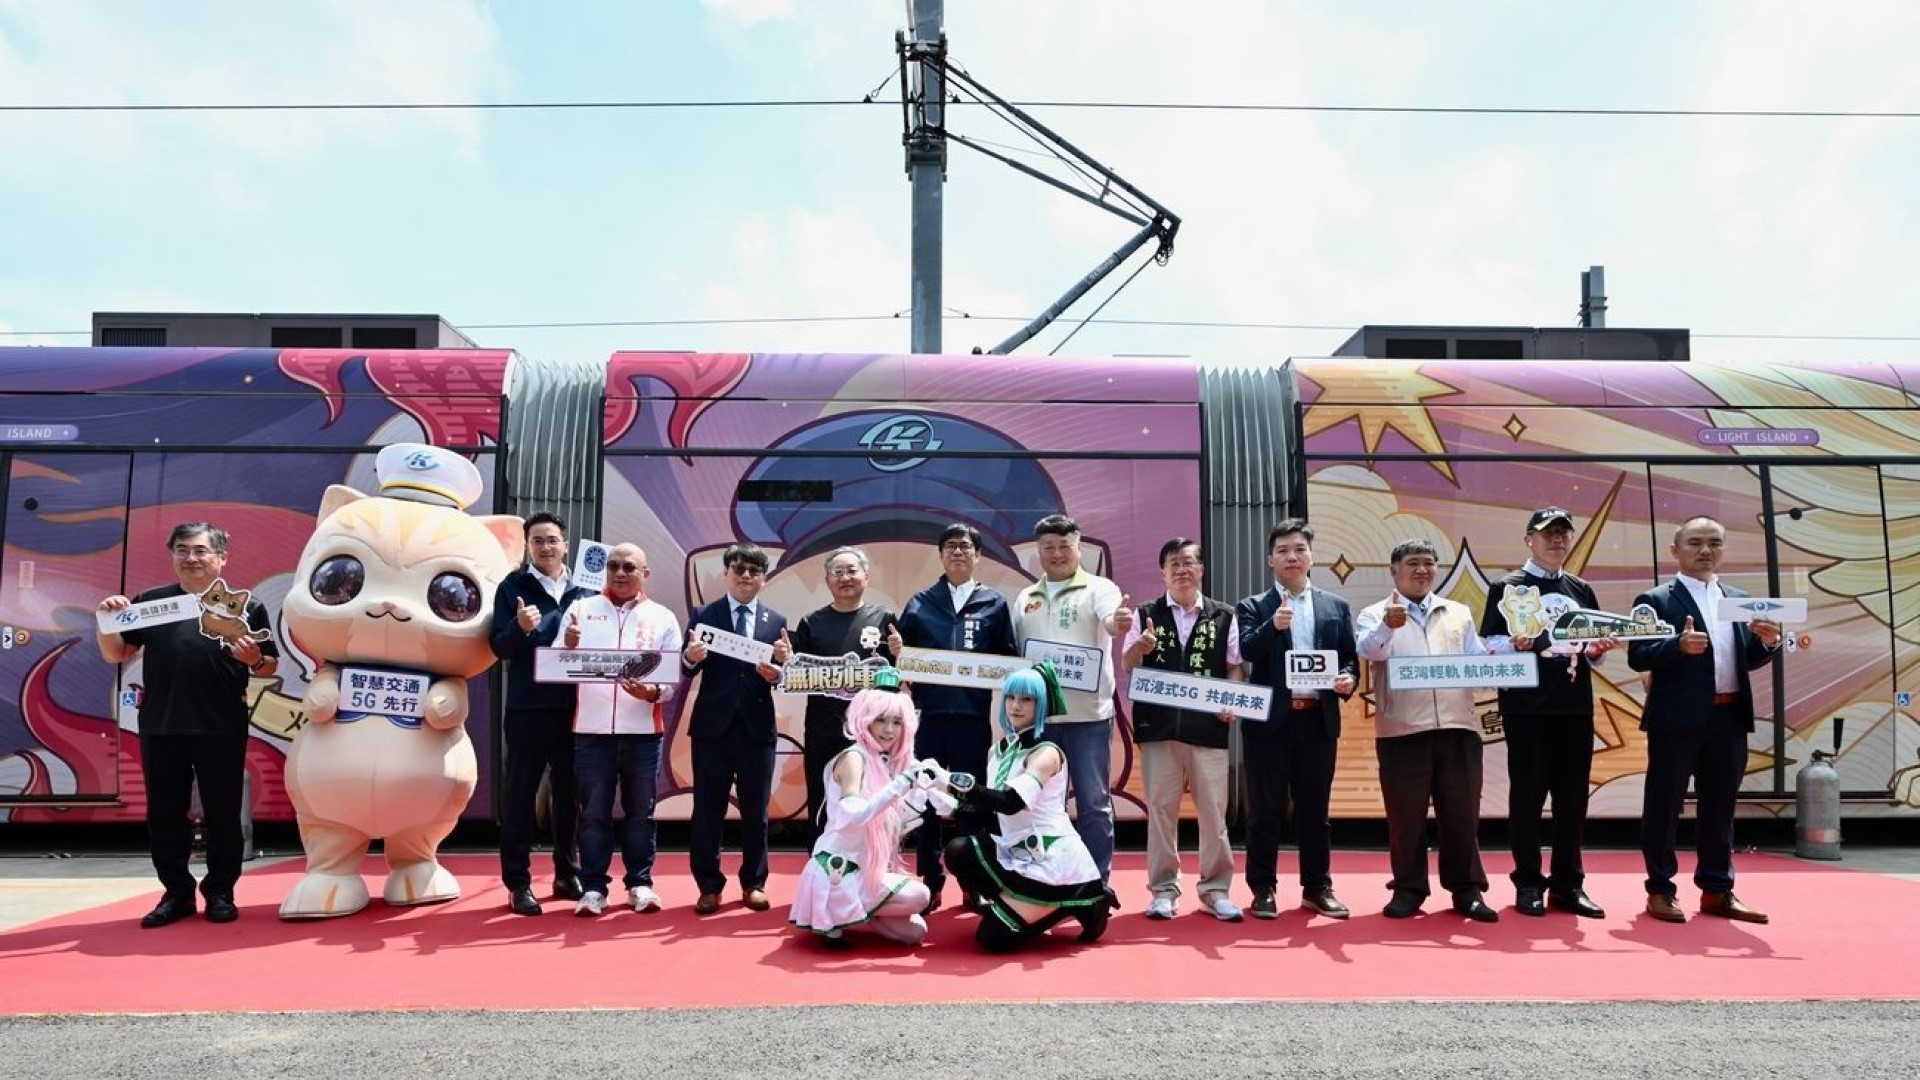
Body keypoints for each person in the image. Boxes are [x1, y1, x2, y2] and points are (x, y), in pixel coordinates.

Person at [96, 522, 278, 928]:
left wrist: (252, 661)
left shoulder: (246, 606)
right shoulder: (152, 603)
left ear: (221, 558)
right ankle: (176, 893)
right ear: (173, 556)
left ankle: (220, 892)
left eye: (200, 550)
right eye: (182, 550)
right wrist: (106, 622)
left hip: (221, 725)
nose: (191, 558)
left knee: (224, 813)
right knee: (165, 813)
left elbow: (268, 664)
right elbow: (117, 653)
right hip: (162, 725)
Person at [1356, 539, 1520, 923]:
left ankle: (1467, 890)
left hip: (1458, 728)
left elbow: (1477, 666)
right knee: (1406, 817)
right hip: (1401, 732)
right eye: (1413, 563)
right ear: (1393, 570)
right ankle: (1408, 890)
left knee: (1462, 813)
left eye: (1429, 563)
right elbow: (1370, 652)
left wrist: (1510, 653)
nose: (1422, 570)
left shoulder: (1458, 613)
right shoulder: (1374, 613)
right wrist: (1387, 626)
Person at [1628, 516, 1782, 924]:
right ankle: (1660, 890)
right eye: (1694, 542)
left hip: (1729, 716)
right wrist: (1676, 646)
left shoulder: (1738, 599)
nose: (1705, 550)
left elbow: (1745, 658)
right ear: (1675, 550)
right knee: (1663, 806)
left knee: (1720, 808)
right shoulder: (1655, 599)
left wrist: (1769, 643)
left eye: (1714, 542)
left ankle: (1717, 890)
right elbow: (1637, 655)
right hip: (1676, 720)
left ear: (1723, 549)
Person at [1478, 507, 1614, 919]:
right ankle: (1529, 883)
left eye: (1563, 534)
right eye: (1548, 533)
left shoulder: (1580, 589)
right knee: (1528, 798)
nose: (1557, 540)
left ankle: (1569, 885)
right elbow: (1489, 645)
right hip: (1528, 709)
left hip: (1575, 708)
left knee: (1573, 800)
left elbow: (1593, 649)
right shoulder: (1508, 587)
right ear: (1529, 540)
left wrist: (1596, 650)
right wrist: (1518, 645)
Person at [943, 665, 1119, 953]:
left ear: (1041, 705)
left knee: (991, 939)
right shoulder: (997, 751)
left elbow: (1012, 803)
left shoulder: (1046, 752)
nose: (1015, 705)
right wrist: (952, 807)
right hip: (1017, 851)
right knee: (959, 851)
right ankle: (1026, 906)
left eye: (1026, 699)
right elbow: (992, 813)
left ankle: (1089, 900)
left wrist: (963, 789)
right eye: (1011, 697)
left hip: (1053, 861)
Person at [889, 523, 1017, 913]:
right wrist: (898, 652)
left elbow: (1007, 661)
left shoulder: (993, 603)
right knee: (927, 802)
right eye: (950, 547)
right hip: (928, 720)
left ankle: (974, 884)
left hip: (971, 719)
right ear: (941, 555)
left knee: (971, 804)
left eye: (965, 547)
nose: (958, 552)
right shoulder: (920, 602)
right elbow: (899, 661)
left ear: (978, 556)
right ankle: (931, 882)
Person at [1235, 519, 1359, 920]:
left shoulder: (1335, 606)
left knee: (1314, 810)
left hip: (1317, 722)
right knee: (1266, 809)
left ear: (1311, 555)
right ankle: (1263, 888)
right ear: (1271, 559)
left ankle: (1317, 886)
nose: (1292, 556)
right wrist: (1273, 626)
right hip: (1270, 724)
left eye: (1299, 549)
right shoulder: (1254, 606)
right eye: (1283, 550)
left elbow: (1350, 658)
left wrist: (1348, 680)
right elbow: (1249, 653)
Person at [1121, 537, 1246, 922]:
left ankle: (1215, 890)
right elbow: (1127, 665)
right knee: (1161, 811)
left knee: (1213, 812)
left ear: (1201, 569)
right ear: (1163, 572)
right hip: (1159, 730)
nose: (1182, 570)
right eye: (1173, 563)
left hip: (1208, 730)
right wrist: (1140, 646)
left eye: (1189, 562)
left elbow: (1235, 668)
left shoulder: (1223, 614)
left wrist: (1234, 700)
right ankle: (1163, 890)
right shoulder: (1146, 614)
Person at [560, 543, 682, 916]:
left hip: (643, 733)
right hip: (591, 731)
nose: (620, 573)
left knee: (640, 813)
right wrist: (567, 645)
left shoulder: (662, 617)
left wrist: (652, 692)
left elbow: (672, 677)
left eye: (629, 566)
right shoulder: (581, 610)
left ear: (645, 573)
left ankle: (640, 884)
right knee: (594, 812)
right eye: (613, 566)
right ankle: (594, 888)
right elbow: (555, 665)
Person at [488, 511, 594, 916]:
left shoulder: (586, 590)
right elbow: (498, 648)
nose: (546, 547)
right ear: (527, 546)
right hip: (528, 709)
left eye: (552, 540)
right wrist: (519, 627)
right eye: (538, 541)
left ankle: (568, 873)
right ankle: (518, 883)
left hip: (576, 709)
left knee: (570, 798)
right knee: (520, 796)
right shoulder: (513, 587)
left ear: (566, 545)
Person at [1011, 514, 1128, 881]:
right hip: (1039, 721)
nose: (1057, 554)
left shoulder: (1100, 589)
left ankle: (1097, 881)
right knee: (1044, 805)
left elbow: (1110, 619)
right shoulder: (1024, 598)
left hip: (1088, 719)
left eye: (1065, 546)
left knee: (1093, 803)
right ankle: (1050, 879)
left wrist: (1118, 623)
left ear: (1078, 549)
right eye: (1049, 547)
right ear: (1039, 552)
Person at [683, 542, 791, 916]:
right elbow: (686, 667)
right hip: (713, 729)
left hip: (756, 729)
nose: (746, 576)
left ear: (763, 578)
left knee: (756, 812)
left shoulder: (776, 621)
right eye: (739, 569)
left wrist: (779, 672)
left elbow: (781, 675)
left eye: (754, 571)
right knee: (708, 810)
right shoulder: (704, 615)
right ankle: (709, 886)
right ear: (727, 573)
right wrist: (690, 656)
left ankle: (754, 883)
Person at [788, 674, 932, 948]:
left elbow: (895, 820)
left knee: (915, 932)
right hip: (838, 869)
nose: (889, 730)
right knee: (920, 896)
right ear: (865, 718)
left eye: (897, 722)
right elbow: (855, 814)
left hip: (864, 870)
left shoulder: (886, 761)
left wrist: (927, 793)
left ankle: (855, 913)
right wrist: (902, 785)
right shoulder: (854, 758)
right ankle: (833, 912)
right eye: (881, 719)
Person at [788, 546, 898, 840]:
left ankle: (873, 869)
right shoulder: (812, 622)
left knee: (873, 801)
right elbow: (795, 674)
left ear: (865, 576)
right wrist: (785, 661)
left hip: (871, 734)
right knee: (823, 803)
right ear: (827, 580)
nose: (845, 577)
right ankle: (820, 869)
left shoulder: (884, 618)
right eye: (838, 572)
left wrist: (902, 654)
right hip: (822, 729)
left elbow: (897, 675)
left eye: (852, 571)